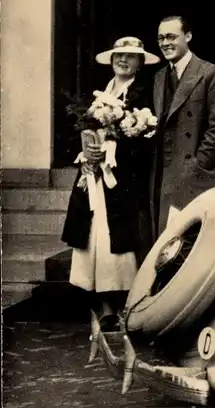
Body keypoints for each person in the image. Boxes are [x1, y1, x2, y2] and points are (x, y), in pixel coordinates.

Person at [61, 36, 160, 333]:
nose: (123, 61)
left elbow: (146, 137)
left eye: (131, 57)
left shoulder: (142, 95)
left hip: (122, 178)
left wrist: (116, 146)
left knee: (117, 240)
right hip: (95, 175)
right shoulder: (102, 92)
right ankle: (104, 306)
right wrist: (88, 149)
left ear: (140, 62)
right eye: (119, 55)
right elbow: (85, 127)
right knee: (94, 238)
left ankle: (124, 306)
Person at [152, 15, 215, 236]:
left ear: (188, 36)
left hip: (193, 176)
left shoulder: (211, 74)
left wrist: (198, 165)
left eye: (171, 36)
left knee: (191, 243)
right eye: (161, 38)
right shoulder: (159, 77)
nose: (165, 43)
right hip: (163, 177)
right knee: (166, 244)